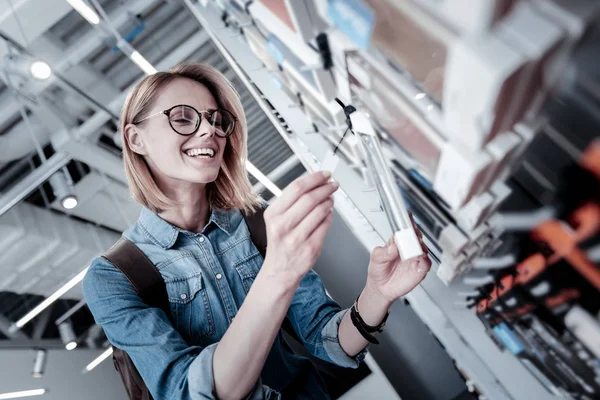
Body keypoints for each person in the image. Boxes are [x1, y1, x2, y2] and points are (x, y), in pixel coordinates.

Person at [83, 62, 432, 400]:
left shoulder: (256, 222)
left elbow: (329, 342)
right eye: (183, 118)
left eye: (217, 120)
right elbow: (193, 394)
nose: (209, 131)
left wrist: (378, 292)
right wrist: (278, 273)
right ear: (135, 138)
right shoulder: (114, 277)